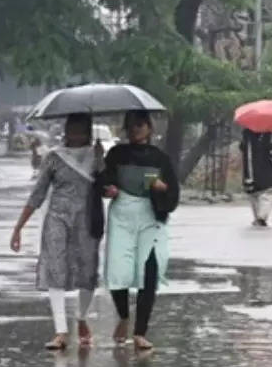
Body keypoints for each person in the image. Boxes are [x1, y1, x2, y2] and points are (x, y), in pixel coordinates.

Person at [10, 113, 102, 350]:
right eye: (73, 130)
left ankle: (81, 318)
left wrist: (101, 162)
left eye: (82, 131)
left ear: (89, 133)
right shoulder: (53, 158)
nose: (77, 136)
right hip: (57, 218)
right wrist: (19, 227)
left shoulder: (97, 157)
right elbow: (38, 194)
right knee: (55, 270)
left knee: (88, 272)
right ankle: (60, 330)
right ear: (66, 131)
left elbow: (108, 185)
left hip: (88, 219)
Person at [100, 110, 179, 351]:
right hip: (122, 213)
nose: (135, 129)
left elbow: (173, 193)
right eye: (131, 126)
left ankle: (140, 331)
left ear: (149, 128)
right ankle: (123, 316)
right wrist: (108, 188)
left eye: (140, 125)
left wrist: (161, 187)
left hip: (150, 216)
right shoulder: (116, 154)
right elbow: (105, 181)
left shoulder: (160, 159)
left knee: (149, 271)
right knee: (118, 269)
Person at [241, 128, 272, 226]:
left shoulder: (247, 133)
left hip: (250, 171)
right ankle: (261, 217)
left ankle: (258, 217)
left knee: (253, 194)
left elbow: (242, 147)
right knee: (268, 193)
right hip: (267, 170)